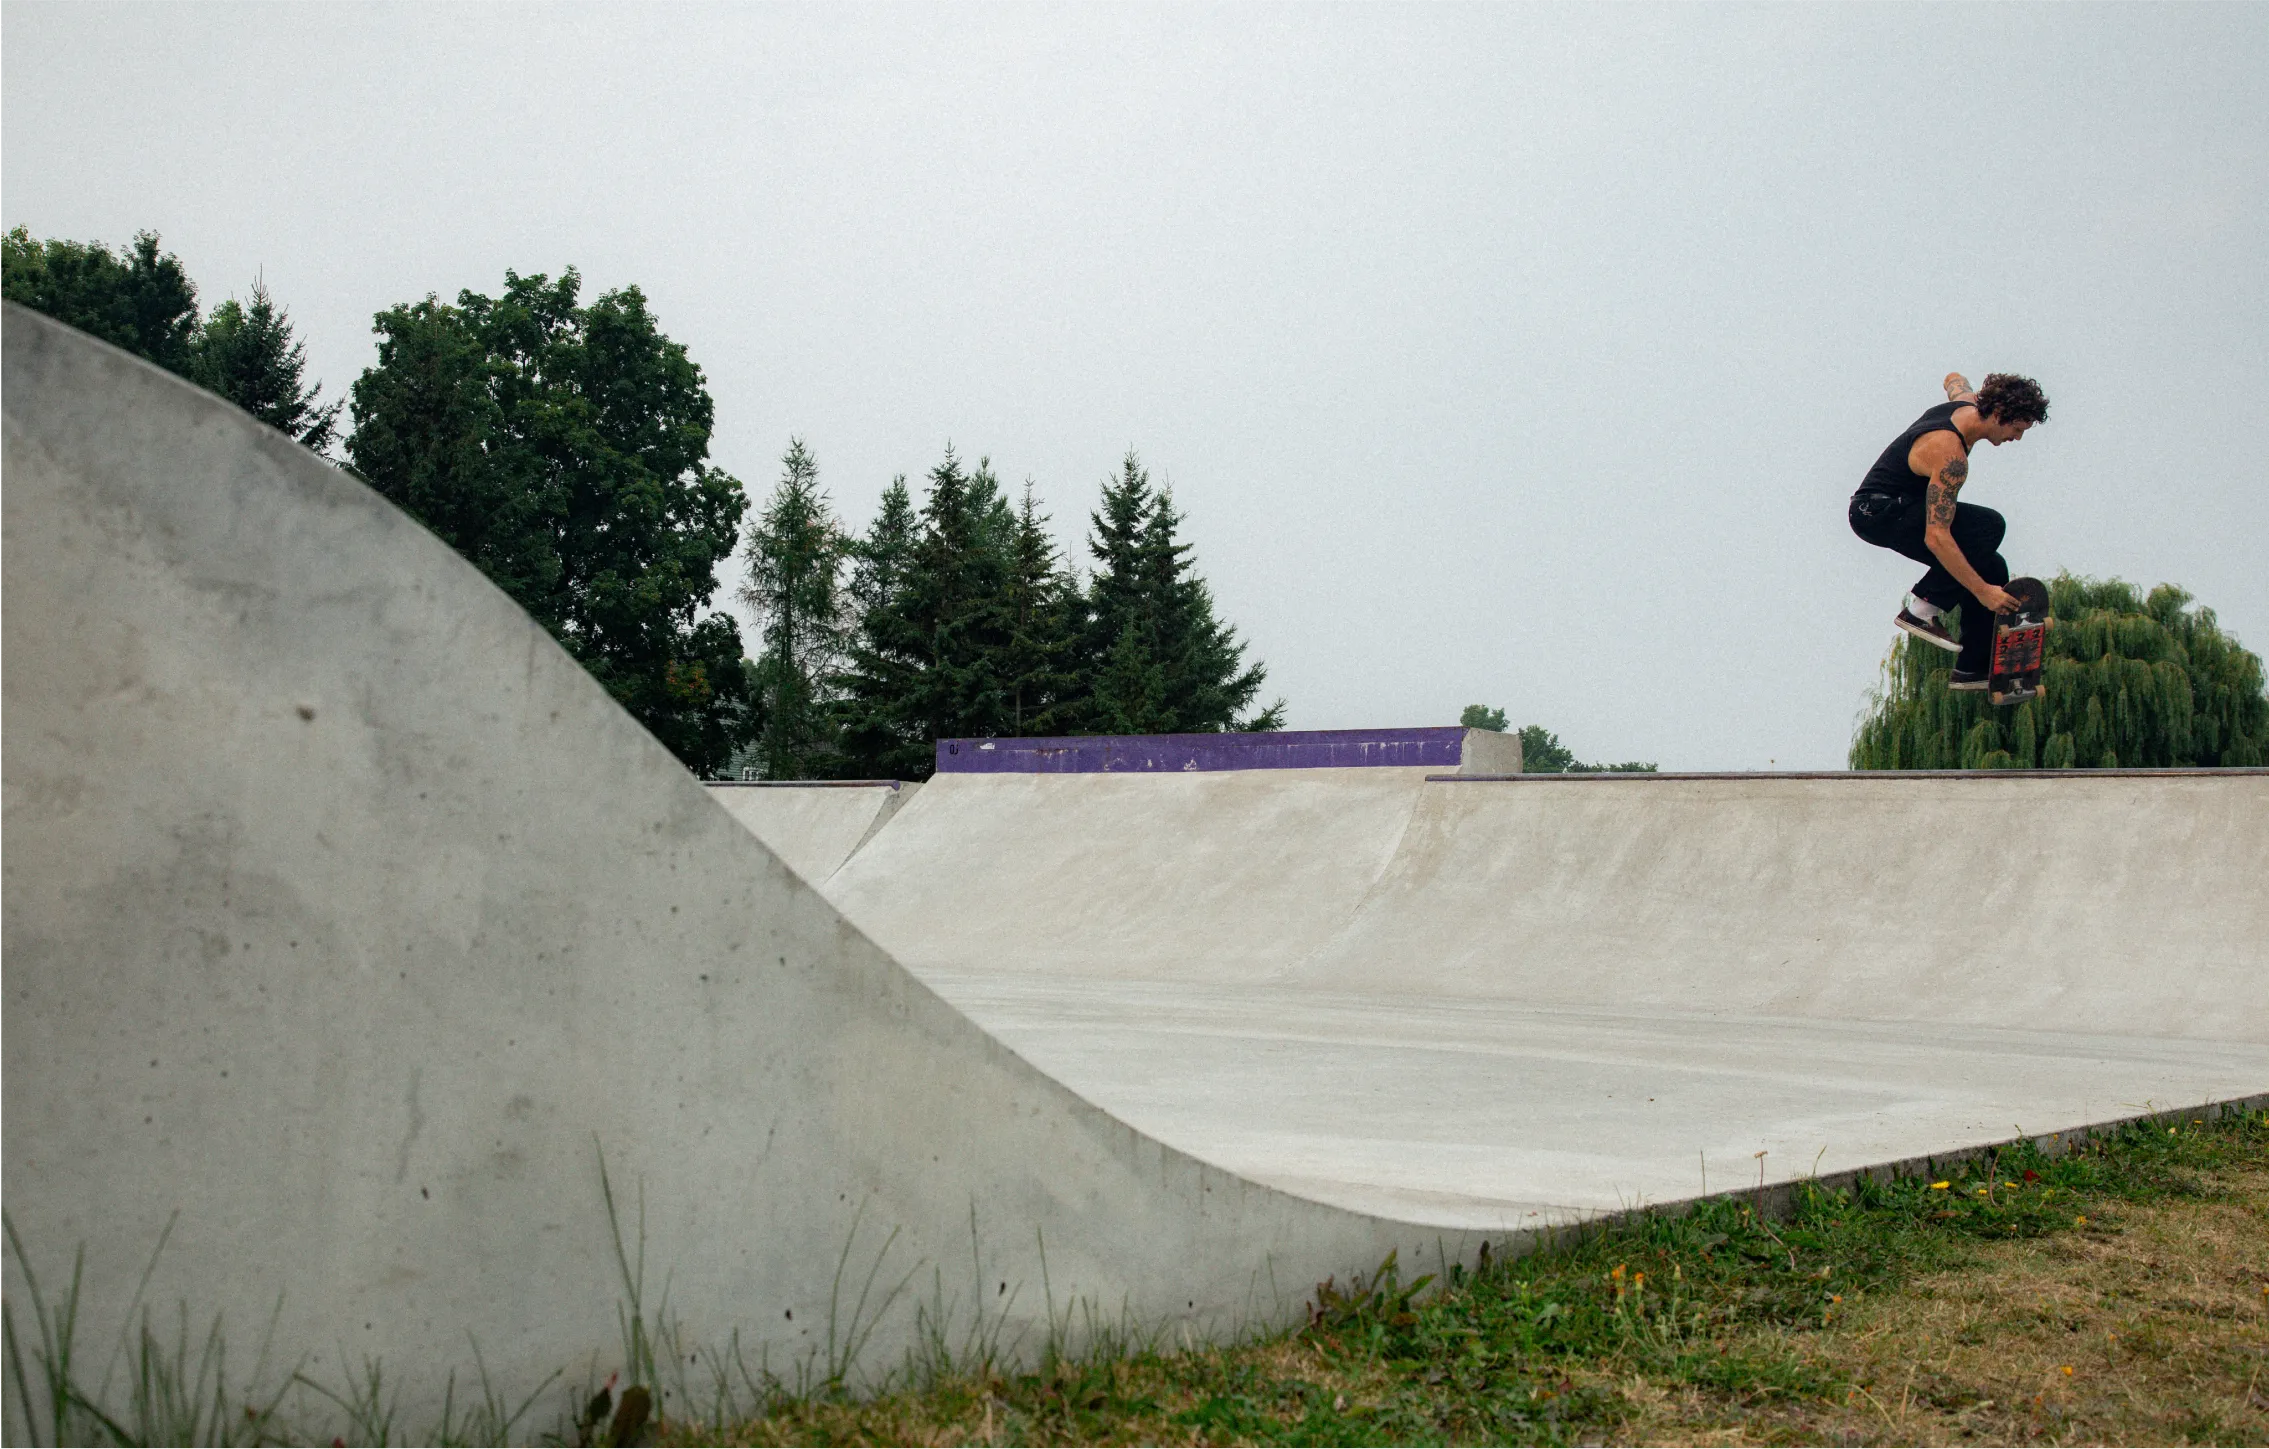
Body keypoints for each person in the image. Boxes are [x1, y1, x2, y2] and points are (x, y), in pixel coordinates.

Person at [1849, 371, 2050, 689]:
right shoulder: (1949, 456)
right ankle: (1922, 609)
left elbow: (1955, 381)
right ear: (1998, 415)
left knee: (1990, 565)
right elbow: (1936, 536)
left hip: (1897, 509)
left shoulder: (1967, 403)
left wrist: (1956, 380)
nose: (2017, 438)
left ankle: (1973, 668)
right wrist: (1984, 593)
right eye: (2017, 428)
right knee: (1988, 526)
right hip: (1878, 514)